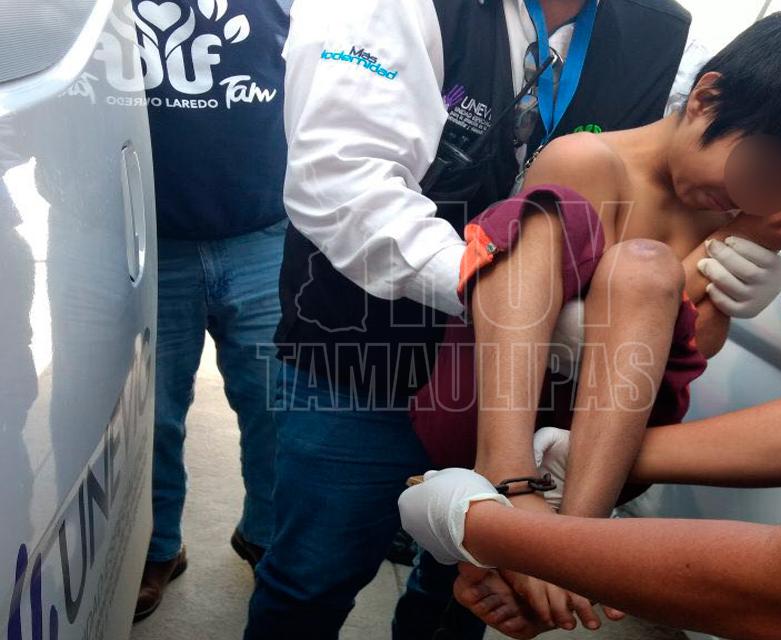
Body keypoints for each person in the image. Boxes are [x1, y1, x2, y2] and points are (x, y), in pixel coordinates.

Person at [399, 0, 781, 638]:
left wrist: (736, 252)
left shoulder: (734, 207)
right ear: (704, 99)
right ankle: (516, 526)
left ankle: (560, 546)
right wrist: (719, 253)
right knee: (443, 578)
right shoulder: (588, 163)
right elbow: (579, 320)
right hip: (501, 414)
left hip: (590, 452)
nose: (755, 195)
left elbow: (695, 347)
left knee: (475, 583)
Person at [248, 0, 751, 637]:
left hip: (518, 389)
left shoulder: (663, 33)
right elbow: (343, 185)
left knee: (467, 589)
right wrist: (517, 299)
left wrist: (742, 246)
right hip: (366, 357)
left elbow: (652, 195)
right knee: (312, 576)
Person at [107, 0, 293, 621]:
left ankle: (264, 533)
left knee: (276, 407)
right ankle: (157, 544)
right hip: (144, 241)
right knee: (151, 416)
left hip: (263, 233)